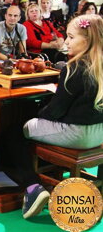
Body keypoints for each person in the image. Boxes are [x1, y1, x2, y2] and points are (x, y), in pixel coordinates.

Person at [15, 14, 103, 219]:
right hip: (100, 134)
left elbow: (55, 112)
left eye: (71, 37)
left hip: (77, 134)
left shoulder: (75, 67)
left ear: (87, 40)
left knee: (14, 132)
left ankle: (33, 187)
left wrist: (37, 110)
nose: (66, 42)